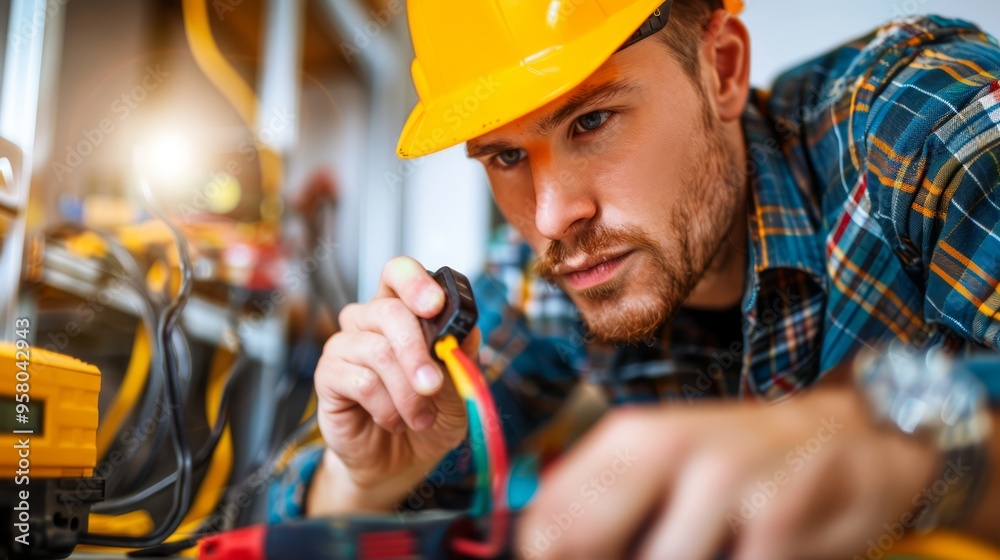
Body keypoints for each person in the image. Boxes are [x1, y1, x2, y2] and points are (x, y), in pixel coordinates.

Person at [270, 1, 1000, 557]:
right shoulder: (550, 276)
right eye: (504, 158)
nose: (553, 218)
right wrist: (362, 477)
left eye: (590, 121)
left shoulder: (916, 124)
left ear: (722, 69)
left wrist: (902, 439)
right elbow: (285, 518)